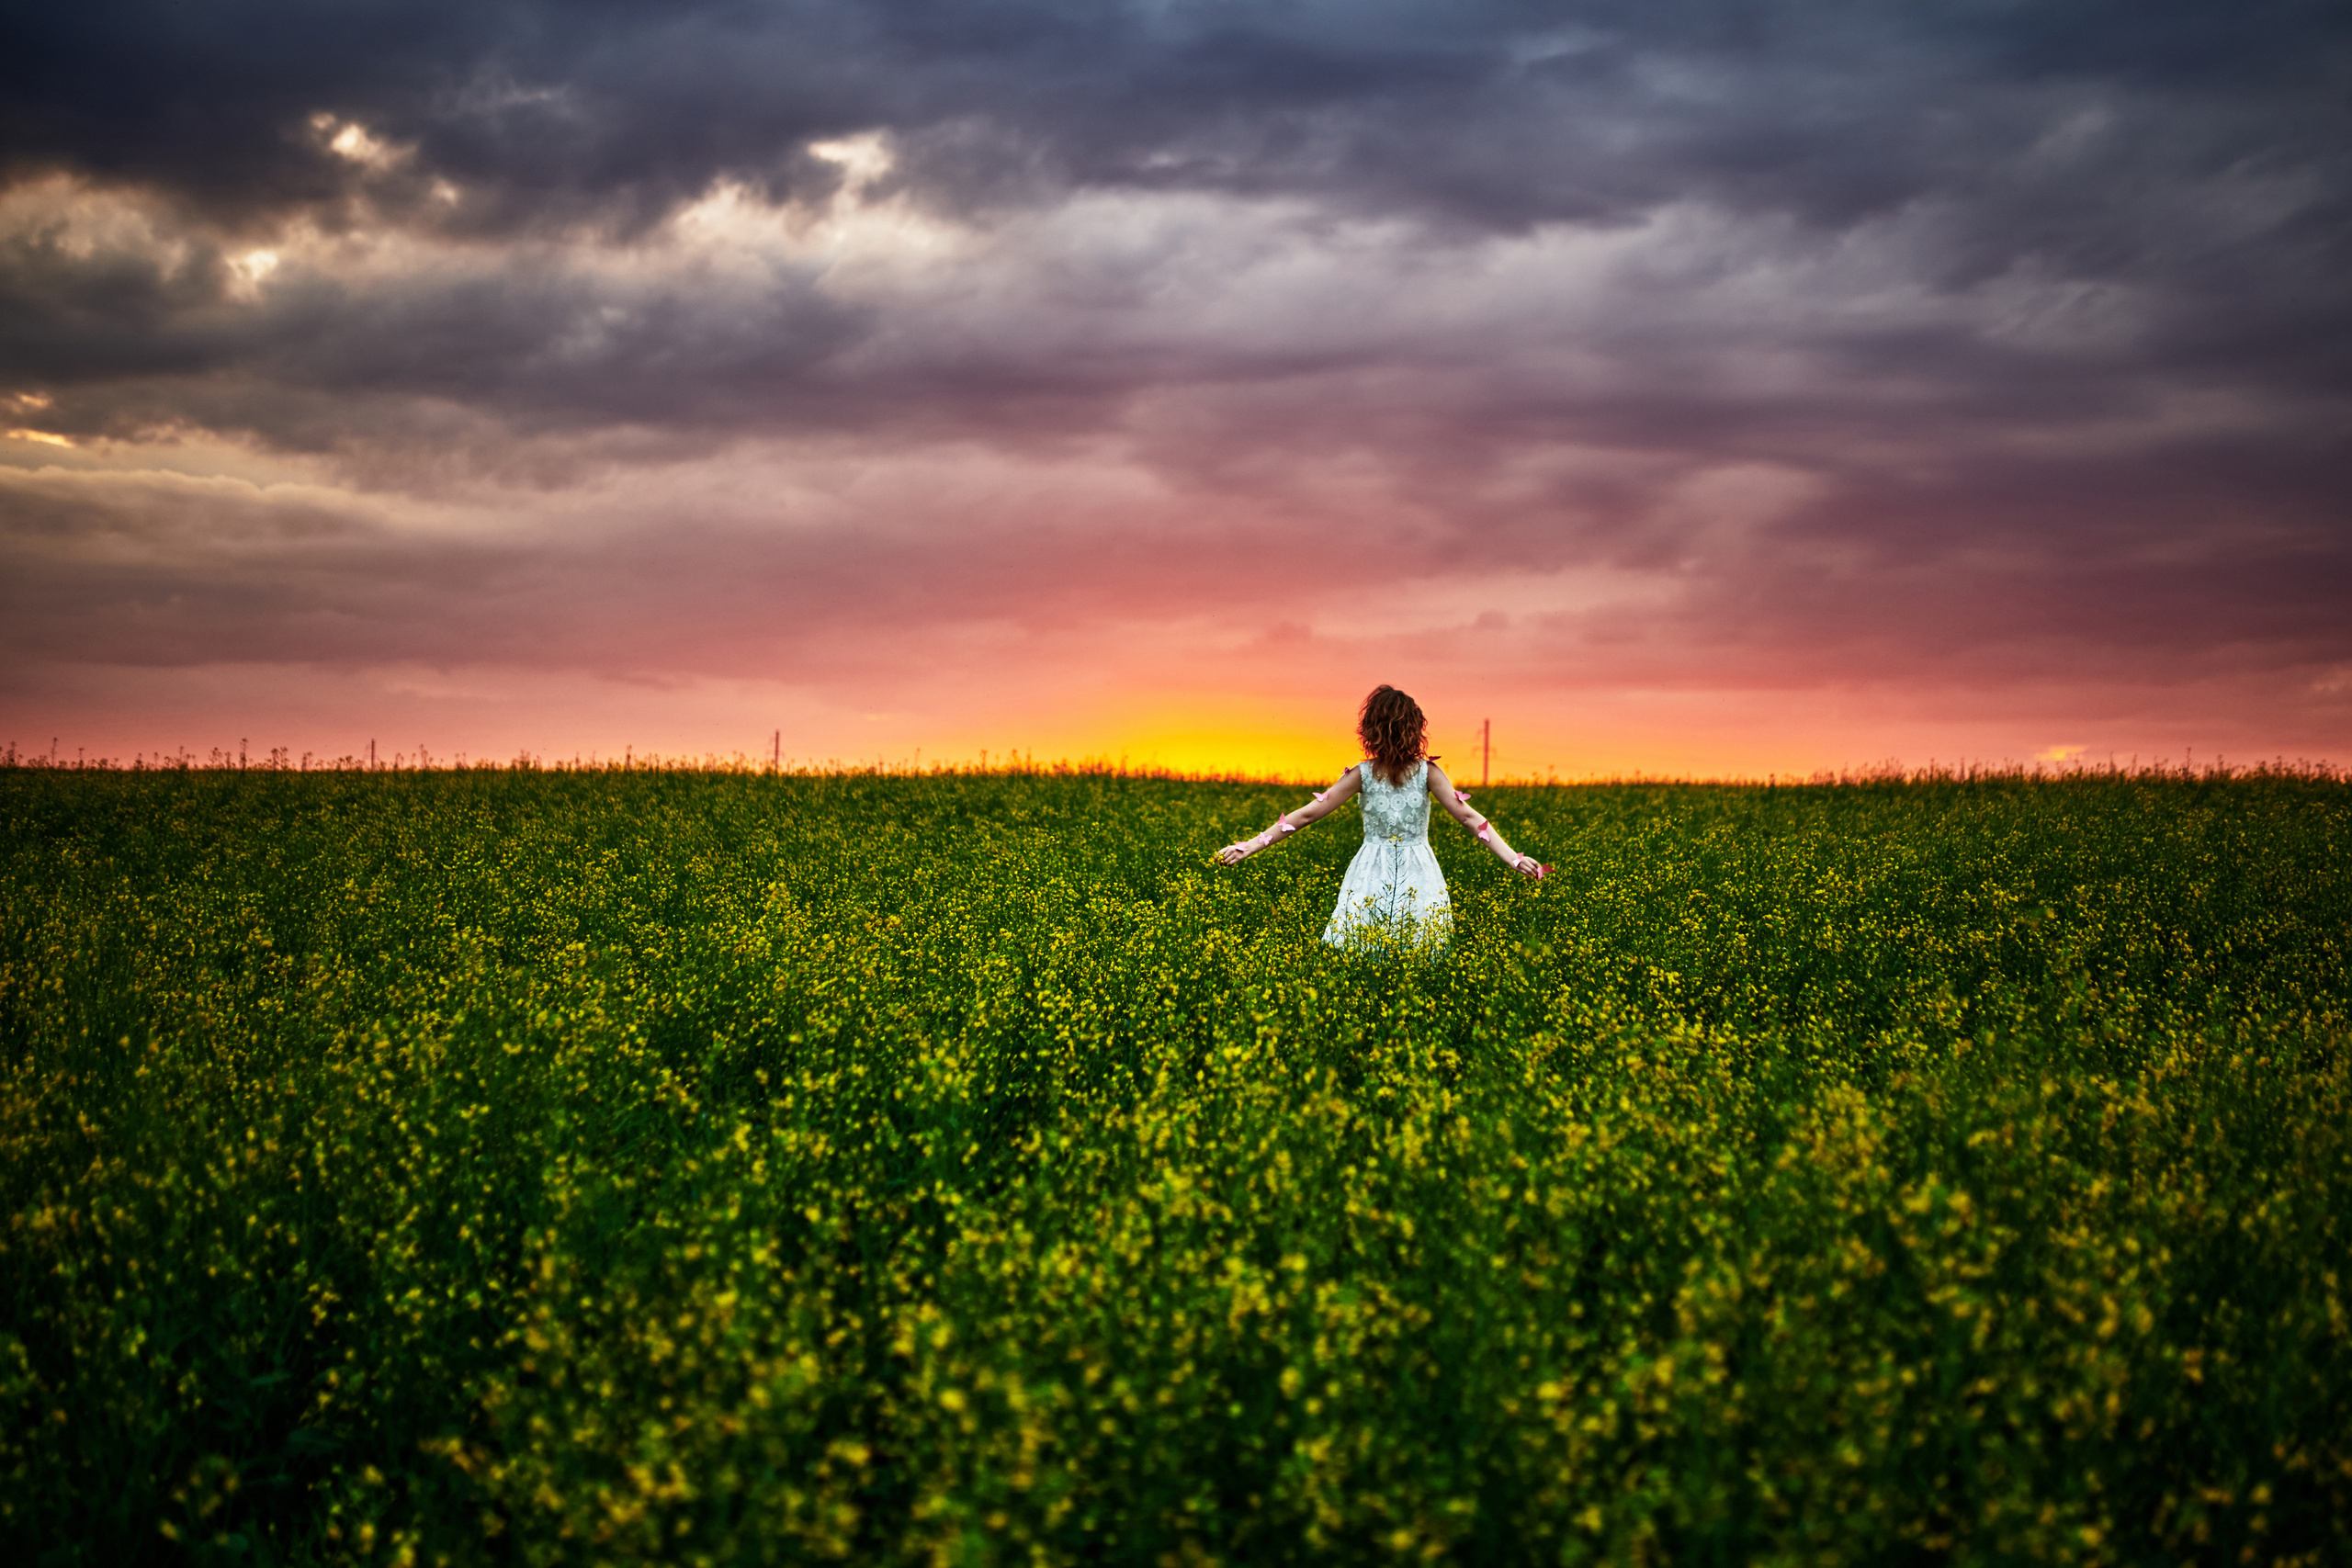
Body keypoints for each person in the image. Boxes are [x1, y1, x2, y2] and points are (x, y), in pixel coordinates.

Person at [1216, 684, 1545, 945]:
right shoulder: (1421, 773)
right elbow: (1470, 818)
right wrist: (1513, 858)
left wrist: (1515, 859)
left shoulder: (1385, 774)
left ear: (1370, 729)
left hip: (1377, 868)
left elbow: (1306, 816)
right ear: (1416, 728)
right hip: (1406, 868)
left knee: (1372, 948)